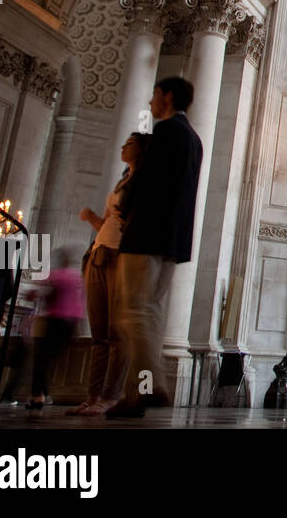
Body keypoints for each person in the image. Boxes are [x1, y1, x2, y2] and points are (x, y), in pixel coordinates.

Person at [107, 76, 203, 418]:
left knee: (134, 312)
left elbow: (145, 182)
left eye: (154, 94)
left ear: (167, 96)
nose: (150, 101)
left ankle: (150, 386)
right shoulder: (194, 139)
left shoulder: (164, 134)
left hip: (146, 234)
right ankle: (136, 394)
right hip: (171, 242)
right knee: (148, 315)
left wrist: (123, 202)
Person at [71, 131, 148, 416]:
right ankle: (92, 395)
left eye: (129, 144)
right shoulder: (121, 181)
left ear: (141, 151)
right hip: (99, 253)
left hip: (122, 258)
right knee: (99, 333)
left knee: (118, 334)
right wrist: (91, 217)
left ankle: (111, 395)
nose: (123, 146)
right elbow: (107, 222)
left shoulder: (144, 184)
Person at [27, 248, 83, 410]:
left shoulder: (55, 276)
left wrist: (35, 295)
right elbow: (79, 305)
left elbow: (44, 294)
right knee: (48, 360)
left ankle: (38, 396)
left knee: (41, 360)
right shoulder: (76, 278)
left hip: (53, 321)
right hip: (70, 323)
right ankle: (44, 393)